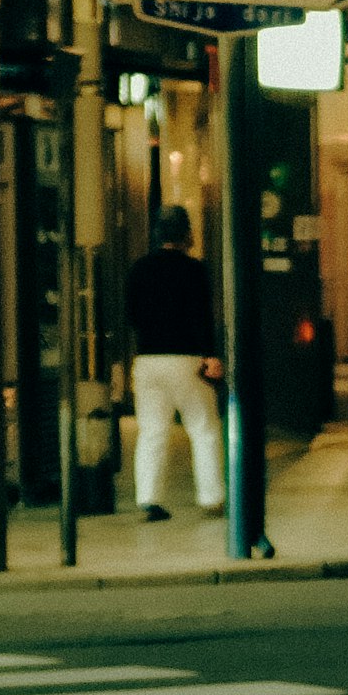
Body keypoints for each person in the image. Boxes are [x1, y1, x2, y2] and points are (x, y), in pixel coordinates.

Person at [123, 206, 222, 519]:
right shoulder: (194, 269)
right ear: (186, 234)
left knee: (152, 431)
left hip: (148, 360)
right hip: (186, 358)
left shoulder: (139, 269)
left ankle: (149, 499)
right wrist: (211, 355)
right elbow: (202, 316)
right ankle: (211, 496)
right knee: (203, 428)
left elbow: (131, 315)